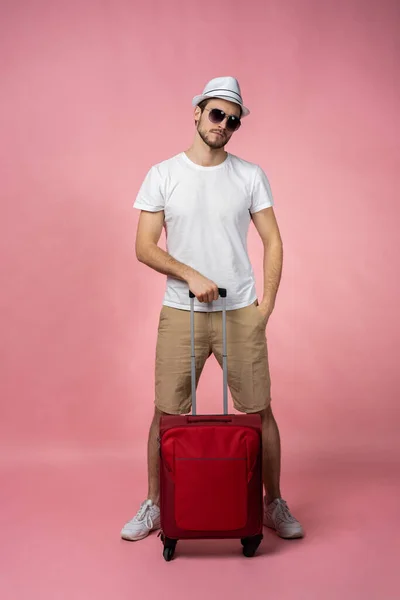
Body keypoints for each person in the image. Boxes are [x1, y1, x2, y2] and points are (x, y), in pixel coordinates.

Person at [121, 76, 304, 542]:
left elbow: (274, 240)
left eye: (233, 120)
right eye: (218, 114)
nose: (224, 124)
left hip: (240, 312)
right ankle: (155, 506)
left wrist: (266, 308)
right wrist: (191, 274)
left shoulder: (249, 175)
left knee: (259, 411)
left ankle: (273, 503)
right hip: (180, 313)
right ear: (198, 111)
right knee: (166, 414)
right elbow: (144, 247)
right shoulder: (162, 174)